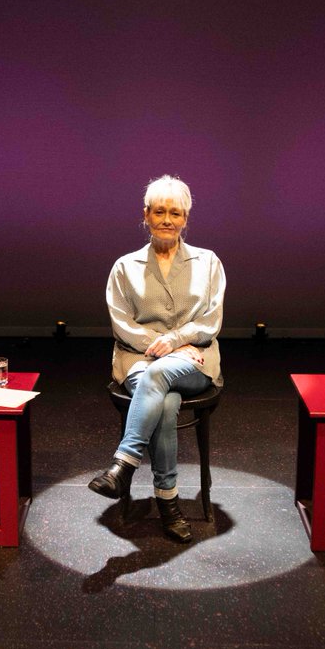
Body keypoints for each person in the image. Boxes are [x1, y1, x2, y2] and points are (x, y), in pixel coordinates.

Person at [88, 175, 225, 543]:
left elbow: (210, 321)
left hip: (195, 362)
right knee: (165, 404)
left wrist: (177, 342)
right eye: (159, 211)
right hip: (138, 360)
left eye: (175, 213)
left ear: (186, 219)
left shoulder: (208, 262)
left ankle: (124, 464)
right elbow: (122, 324)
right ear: (145, 215)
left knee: (161, 375)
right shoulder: (125, 267)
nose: (167, 219)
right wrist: (166, 345)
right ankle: (168, 502)